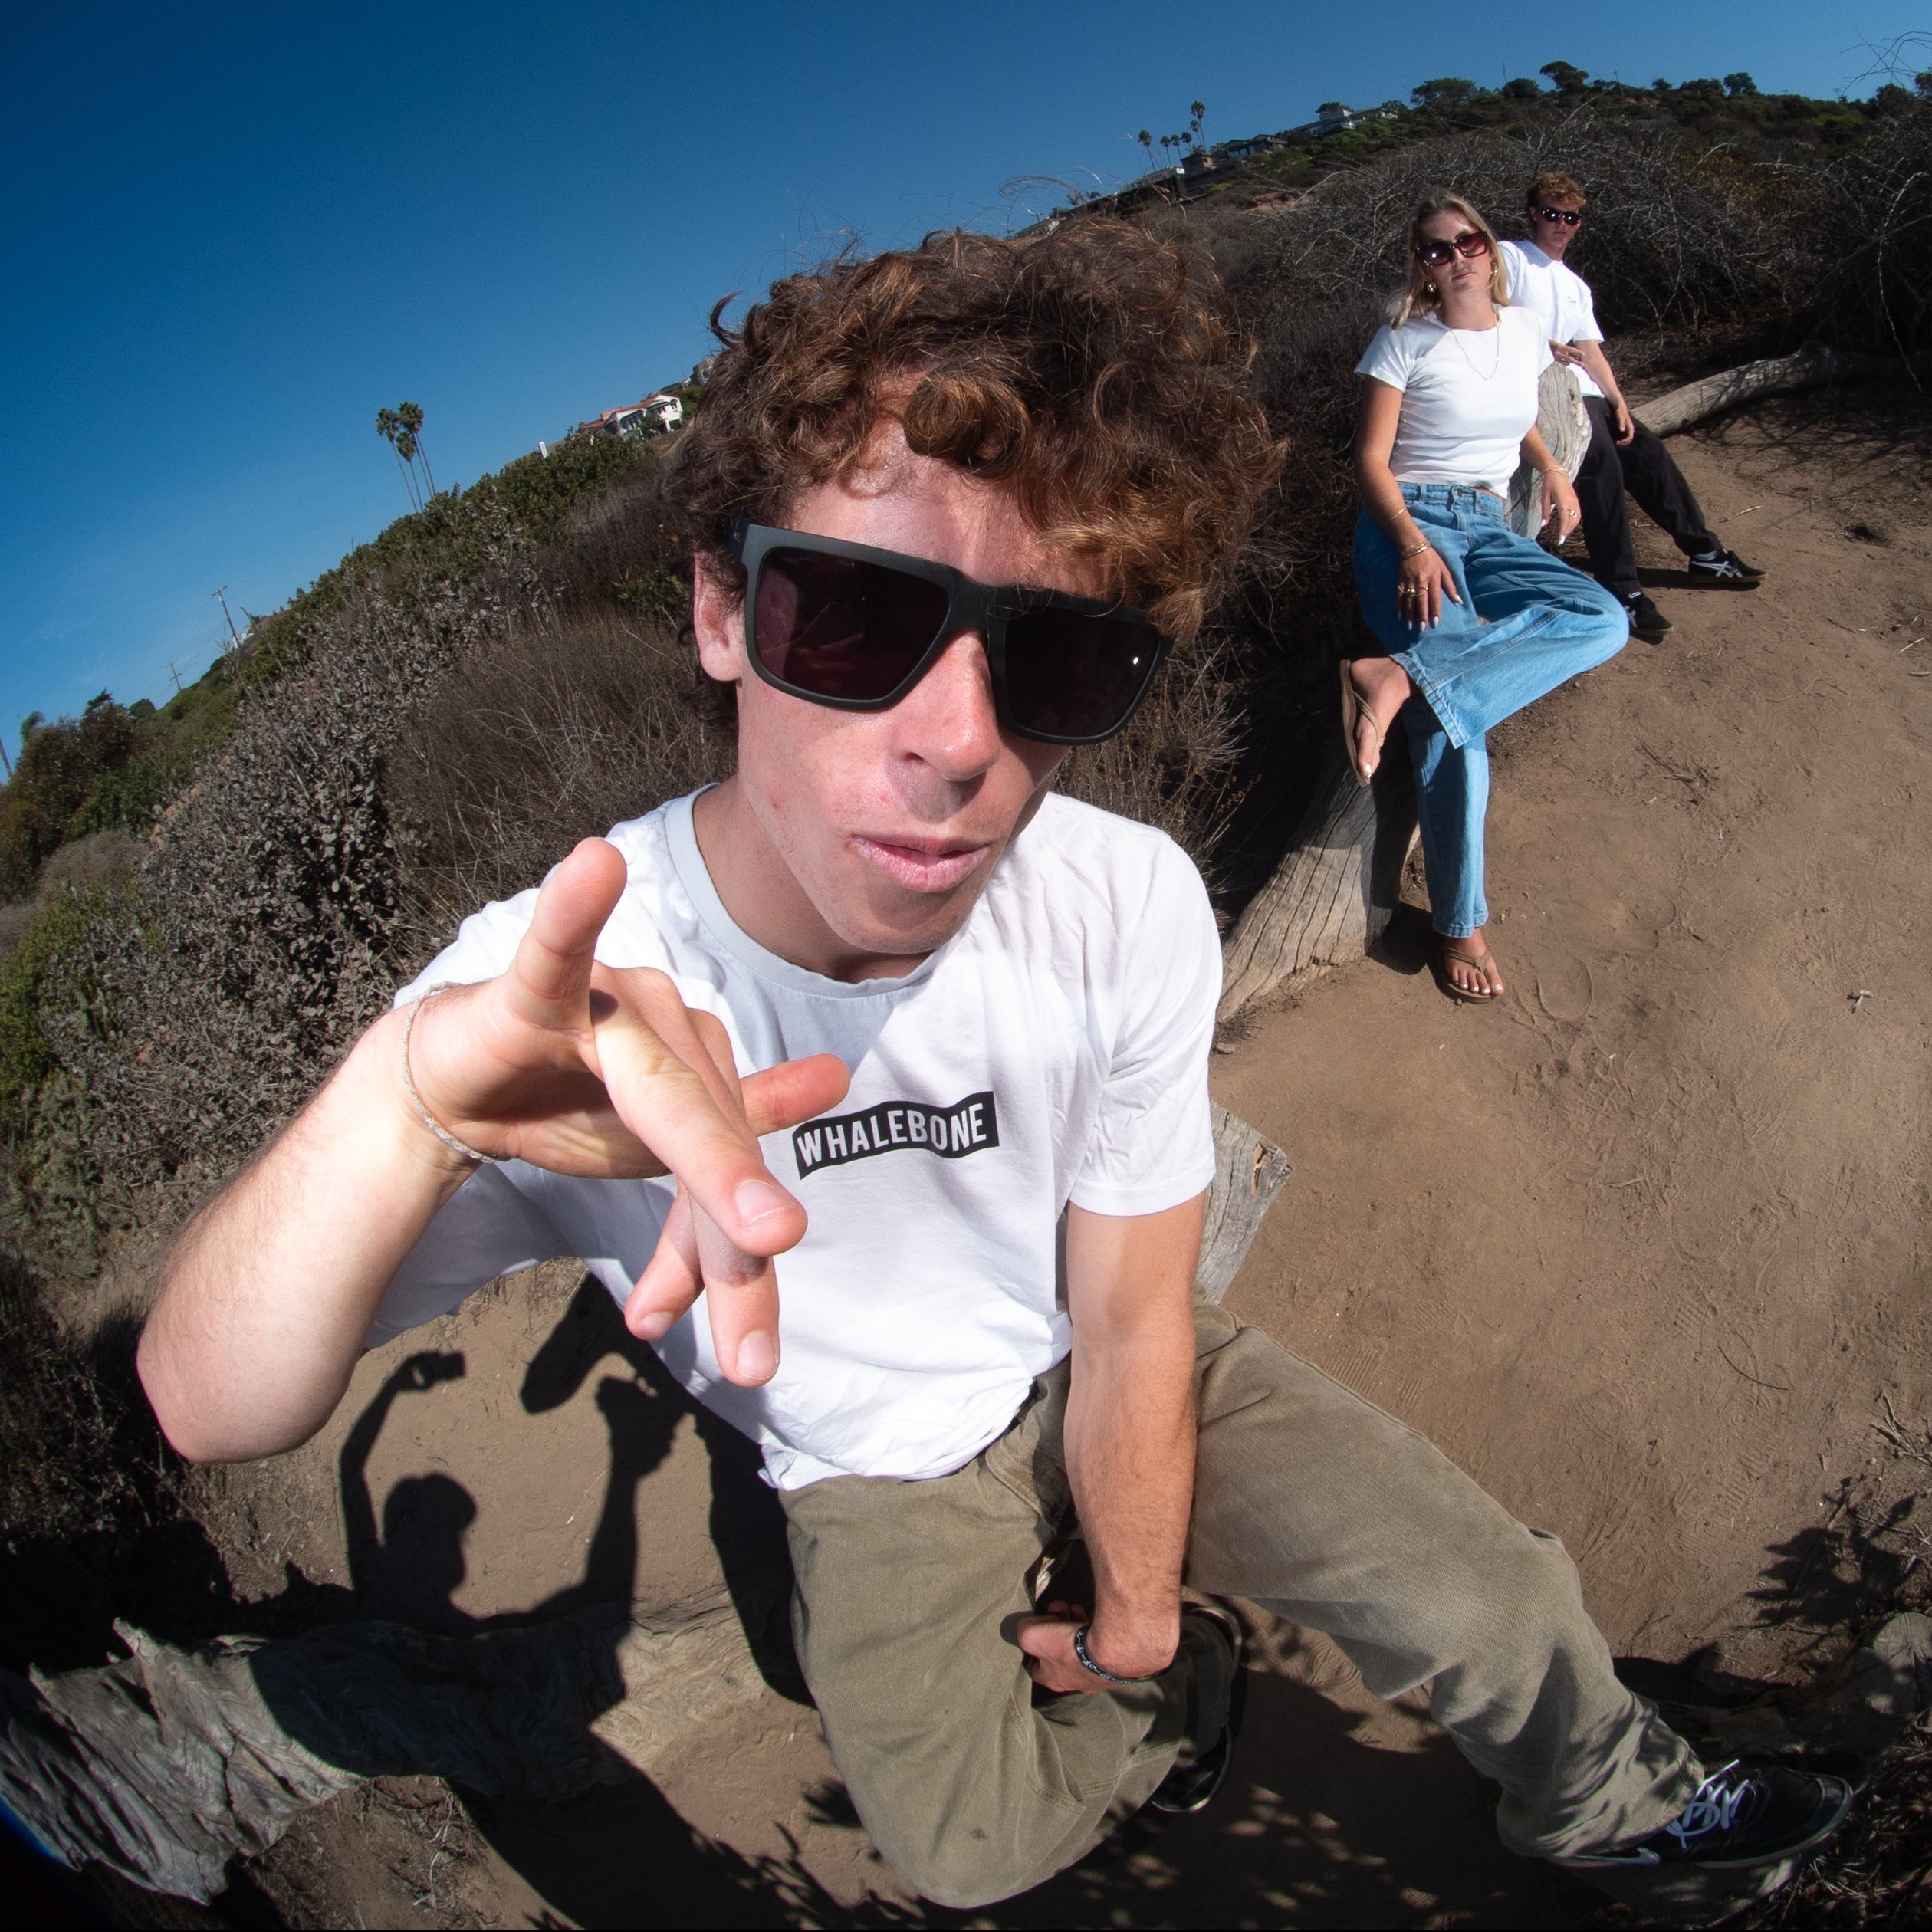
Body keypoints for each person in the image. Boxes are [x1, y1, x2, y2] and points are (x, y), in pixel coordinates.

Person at [136, 222, 1848, 1911]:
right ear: (724, 611)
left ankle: (1611, 1798)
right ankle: (1174, 1725)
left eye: (1057, 658)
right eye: (857, 619)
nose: (957, 739)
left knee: (1490, 1597)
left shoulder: (1117, 899)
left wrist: (1141, 1602)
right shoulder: (560, 991)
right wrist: (410, 1109)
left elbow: (1123, 1319)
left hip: (1092, 1351)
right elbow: (206, 1404)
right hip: (866, 1466)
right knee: (967, 1855)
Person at [1348, 196, 1631, 1004]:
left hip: (1489, 521)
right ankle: (1459, 923)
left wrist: (1548, 466)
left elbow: (1516, 420)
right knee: (1454, 732)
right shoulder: (1402, 342)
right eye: (1438, 251)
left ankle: (1396, 676)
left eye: (1468, 241)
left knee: (1603, 618)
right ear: (1421, 266)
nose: (1459, 257)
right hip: (1411, 521)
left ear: (1490, 249)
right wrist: (1410, 542)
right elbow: (1369, 463)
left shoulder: (1519, 333)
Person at [1500, 171, 1764, 641]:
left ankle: (1704, 553)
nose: (1560, 224)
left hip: (1588, 393)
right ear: (1532, 213)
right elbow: (1488, 312)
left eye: (1570, 217)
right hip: (1543, 390)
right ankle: (1621, 588)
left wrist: (1619, 400)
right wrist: (1541, 343)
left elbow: (1592, 349)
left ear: (1580, 223)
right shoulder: (1511, 257)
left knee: (1648, 453)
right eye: (1550, 213)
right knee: (1604, 470)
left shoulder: (1575, 284)